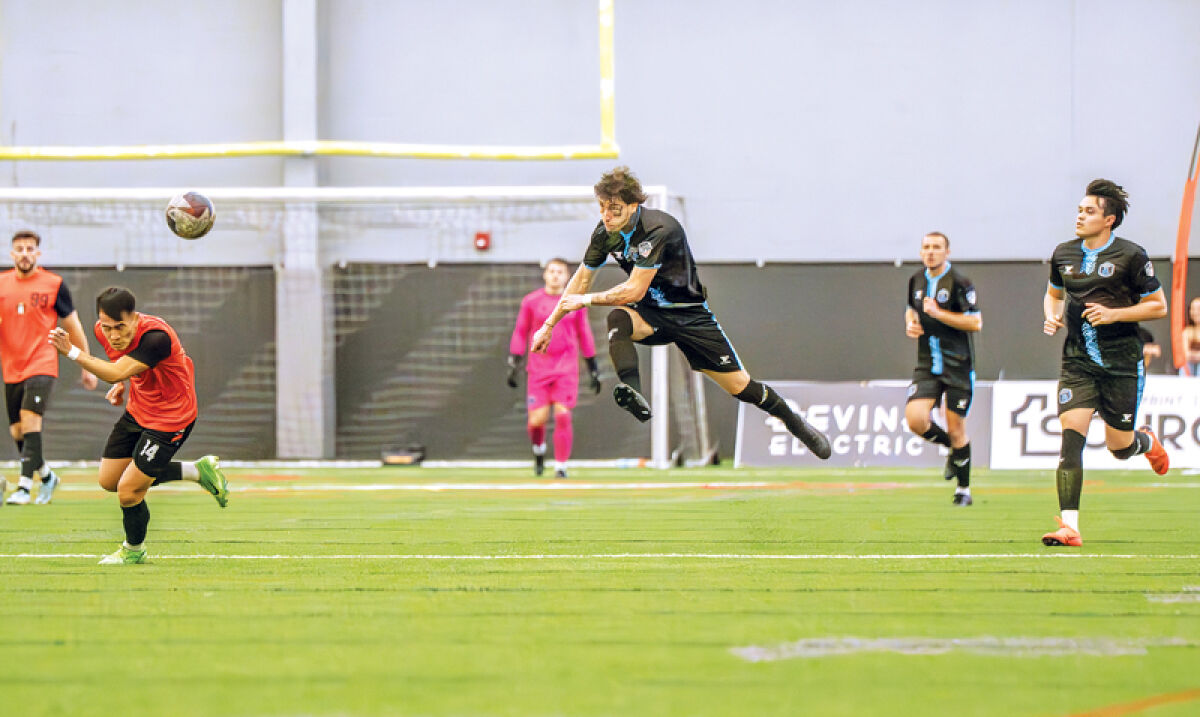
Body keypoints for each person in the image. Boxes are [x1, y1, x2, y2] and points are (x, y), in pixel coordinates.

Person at [530, 166, 831, 459]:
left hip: (689, 316)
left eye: (614, 209)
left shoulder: (659, 229)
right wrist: (548, 325)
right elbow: (581, 279)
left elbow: (632, 290)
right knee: (618, 318)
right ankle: (633, 393)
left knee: (742, 388)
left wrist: (586, 300)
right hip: (650, 315)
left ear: (634, 206)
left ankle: (794, 422)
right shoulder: (604, 232)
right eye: (602, 207)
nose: (606, 216)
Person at [48, 287, 229, 565]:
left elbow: (116, 370)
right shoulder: (102, 330)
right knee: (109, 480)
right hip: (139, 410)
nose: (114, 335)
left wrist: (72, 352)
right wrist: (121, 384)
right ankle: (197, 471)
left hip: (171, 418)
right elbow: (119, 366)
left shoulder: (156, 338)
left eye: (120, 327)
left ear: (134, 318)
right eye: (108, 328)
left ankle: (134, 549)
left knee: (129, 491)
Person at [1041, 179, 1170, 547]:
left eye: (1089, 211)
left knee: (1119, 447)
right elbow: (1052, 295)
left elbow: (1158, 306)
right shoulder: (1063, 253)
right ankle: (1070, 527)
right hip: (1077, 362)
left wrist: (1115, 315)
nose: (1080, 216)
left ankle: (1145, 443)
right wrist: (1051, 315)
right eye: (1079, 210)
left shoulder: (1132, 256)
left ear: (1109, 219)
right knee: (1071, 441)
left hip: (1122, 364)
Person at [1, 230, 98, 505]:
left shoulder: (54, 284)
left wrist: (86, 365)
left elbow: (73, 326)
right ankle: (46, 476)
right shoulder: (1, 284)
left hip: (42, 362)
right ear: (11, 254)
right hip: (11, 367)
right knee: (18, 431)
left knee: (31, 419)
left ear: (38, 254)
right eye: (19, 249)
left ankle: (22, 486)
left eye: (30, 249)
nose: (24, 253)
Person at [903, 232, 981, 506]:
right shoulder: (916, 279)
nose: (930, 252)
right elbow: (910, 309)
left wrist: (939, 314)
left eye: (936, 247)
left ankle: (964, 490)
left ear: (947, 251)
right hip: (927, 364)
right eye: (926, 247)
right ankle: (956, 450)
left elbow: (975, 322)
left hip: (958, 365)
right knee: (915, 419)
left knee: (956, 425)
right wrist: (911, 322)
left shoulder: (960, 282)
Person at [507, 258, 601, 478]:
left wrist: (593, 366)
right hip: (538, 369)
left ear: (567, 276)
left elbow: (584, 334)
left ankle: (561, 466)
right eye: (552, 271)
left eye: (560, 272)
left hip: (566, 368)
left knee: (563, 415)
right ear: (545, 274)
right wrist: (514, 361)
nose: (556, 275)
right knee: (536, 420)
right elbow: (521, 331)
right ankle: (539, 450)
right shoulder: (531, 302)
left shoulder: (575, 303)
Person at [1179, 298, 1200, 376]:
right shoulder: (1187, 332)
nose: (1196, 312)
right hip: (1189, 369)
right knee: (1186, 364)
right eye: (1193, 309)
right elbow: (1186, 354)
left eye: (1199, 309)